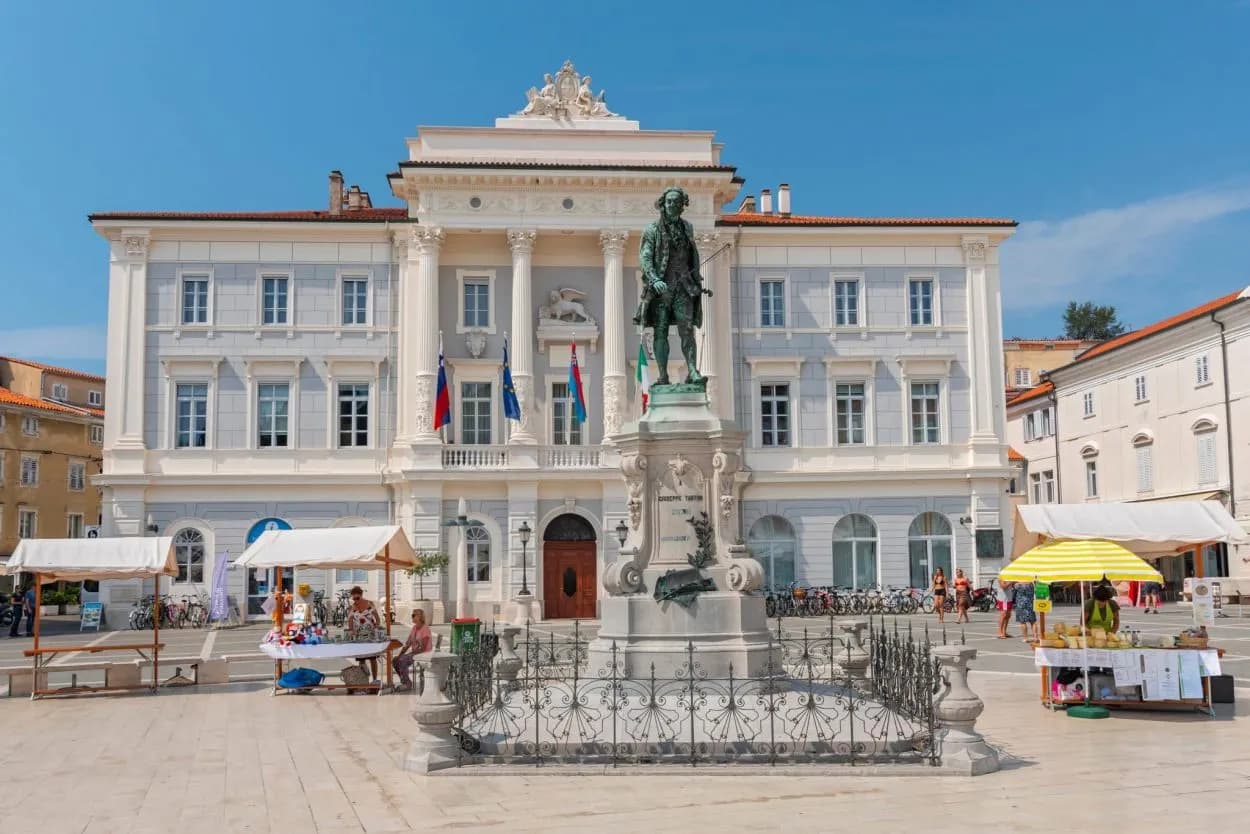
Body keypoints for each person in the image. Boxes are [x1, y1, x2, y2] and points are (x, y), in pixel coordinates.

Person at [346, 586, 382, 683]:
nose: (356, 600)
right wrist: (351, 631)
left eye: (357, 598)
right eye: (353, 598)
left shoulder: (370, 604)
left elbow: (377, 619)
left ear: (361, 595)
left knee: (373, 659)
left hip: (370, 636)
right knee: (362, 660)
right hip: (359, 637)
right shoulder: (351, 608)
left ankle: (375, 679)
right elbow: (350, 621)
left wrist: (376, 627)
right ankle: (364, 680)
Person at [392, 609, 433, 691]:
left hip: (424, 654)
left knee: (403, 659)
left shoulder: (425, 629)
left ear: (419, 617)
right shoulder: (414, 628)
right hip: (415, 653)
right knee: (395, 660)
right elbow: (407, 644)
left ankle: (407, 684)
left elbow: (423, 648)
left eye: (414, 615)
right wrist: (399, 655)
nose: (412, 617)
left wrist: (409, 654)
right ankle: (404, 681)